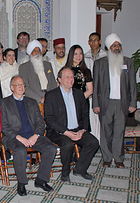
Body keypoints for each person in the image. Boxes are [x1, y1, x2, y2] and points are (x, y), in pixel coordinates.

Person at [0, 75, 57, 196]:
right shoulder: (4, 103)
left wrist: (36, 135)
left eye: (23, 84)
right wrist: (19, 137)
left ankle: (41, 180)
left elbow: (40, 123)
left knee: (50, 148)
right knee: (20, 150)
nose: (21, 87)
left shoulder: (31, 102)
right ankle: (21, 183)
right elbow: (3, 126)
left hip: (32, 136)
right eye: (18, 84)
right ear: (11, 87)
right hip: (13, 137)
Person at [44, 67, 99, 182]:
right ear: (59, 79)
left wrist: (83, 130)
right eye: (67, 77)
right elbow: (49, 119)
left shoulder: (79, 94)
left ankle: (80, 169)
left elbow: (85, 115)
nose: (71, 79)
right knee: (68, 145)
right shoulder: (51, 95)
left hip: (77, 129)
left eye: (72, 77)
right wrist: (66, 132)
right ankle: (65, 172)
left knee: (93, 142)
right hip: (59, 132)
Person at [92, 33, 137, 168]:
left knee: (119, 131)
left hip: (122, 104)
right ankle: (106, 158)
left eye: (118, 45)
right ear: (108, 48)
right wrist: (95, 104)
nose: (117, 47)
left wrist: (133, 103)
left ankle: (118, 158)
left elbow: (133, 85)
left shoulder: (128, 62)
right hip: (105, 103)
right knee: (105, 131)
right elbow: (96, 86)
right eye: (114, 45)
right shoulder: (99, 63)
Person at [84, 32, 107, 141]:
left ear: (100, 42)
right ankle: (94, 142)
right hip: (91, 92)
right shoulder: (85, 57)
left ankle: (103, 142)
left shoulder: (106, 56)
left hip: (103, 93)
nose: (93, 43)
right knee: (92, 120)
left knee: (103, 120)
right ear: (88, 42)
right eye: (91, 40)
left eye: (96, 40)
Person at [19, 40, 57, 104]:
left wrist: (49, 97)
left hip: (50, 100)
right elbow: (25, 87)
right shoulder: (23, 67)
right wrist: (39, 99)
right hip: (34, 101)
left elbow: (53, 83)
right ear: (30, 53)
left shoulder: (48, 65)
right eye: (34, 51)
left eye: (39, 50)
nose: (37, 53)